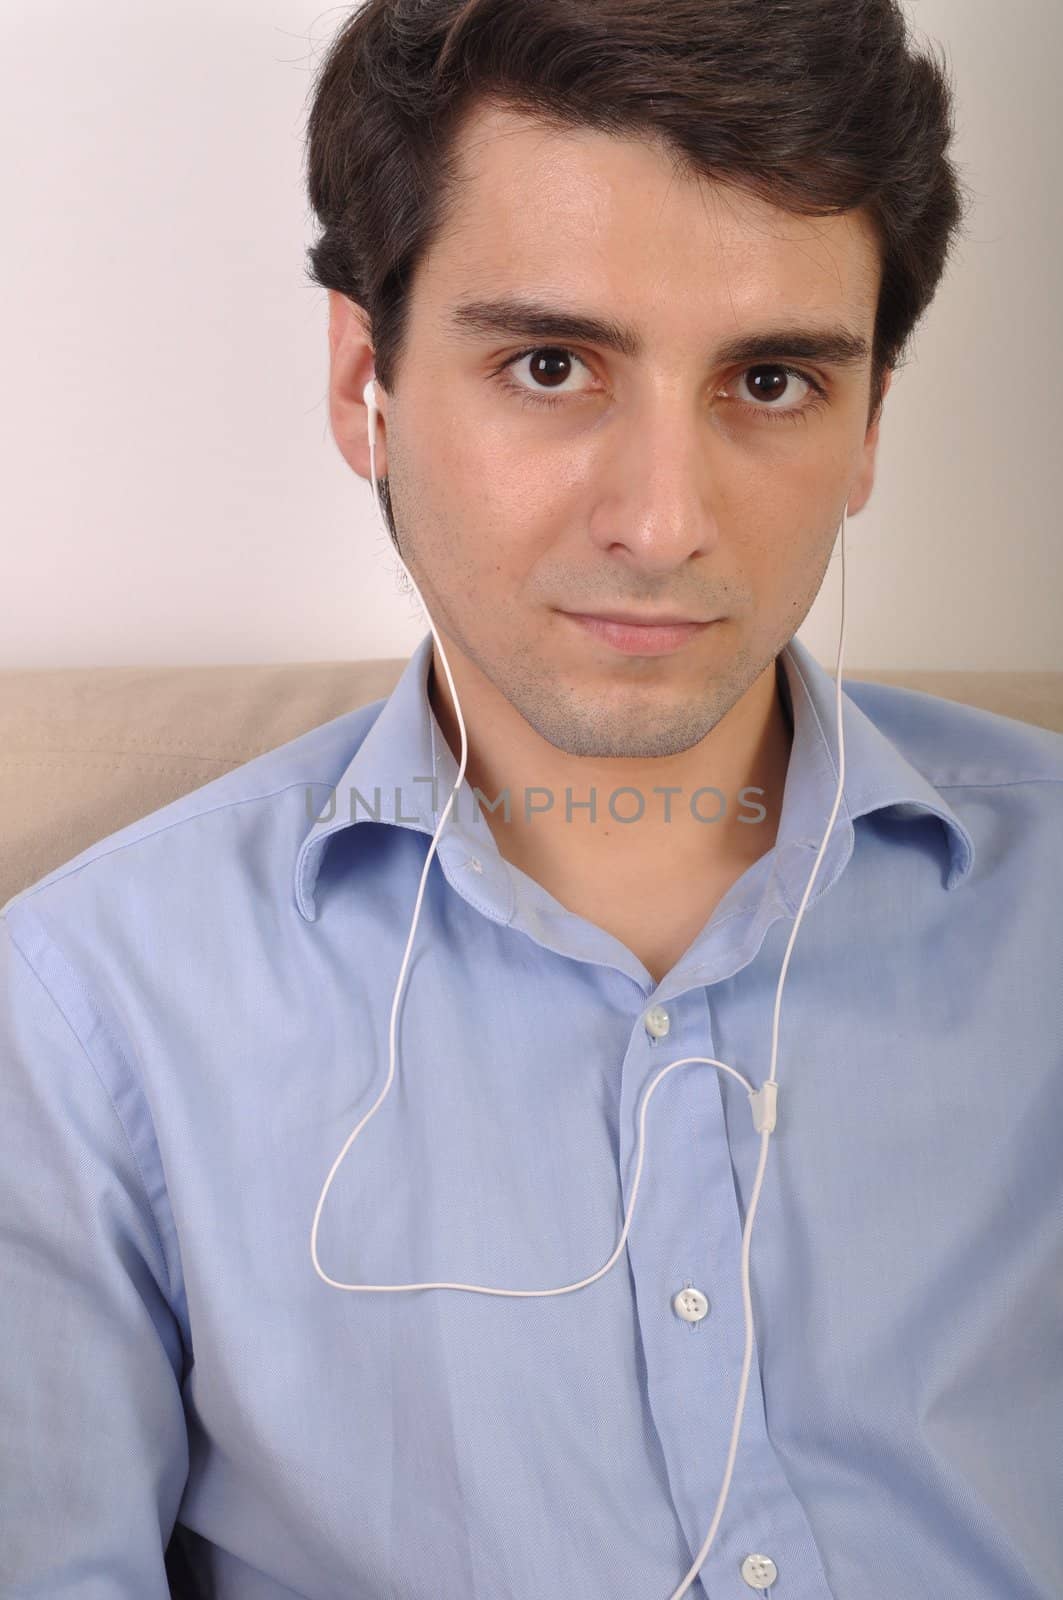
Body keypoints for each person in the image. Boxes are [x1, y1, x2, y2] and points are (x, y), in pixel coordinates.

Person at [2, 1, 1061, 1596]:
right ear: (367, 381)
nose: (662, 519)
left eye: (770, 380)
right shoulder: (91, 1017)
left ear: (868, 429)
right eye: (553, 364)